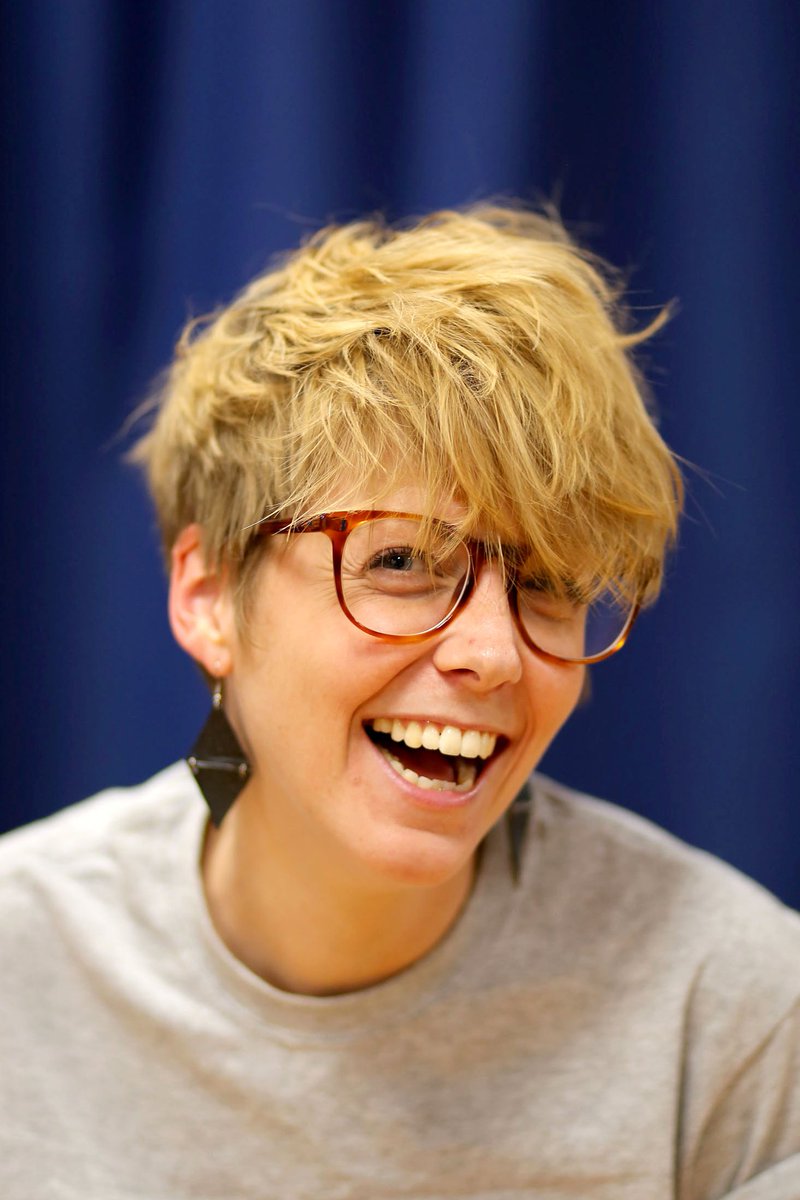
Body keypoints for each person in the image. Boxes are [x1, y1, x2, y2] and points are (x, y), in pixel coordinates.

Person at [1, 205, 798, 1199]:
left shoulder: (733, 1009)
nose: (493, 653)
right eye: (401, 562)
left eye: (551, 584)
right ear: (207, 597)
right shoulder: (21, 959)